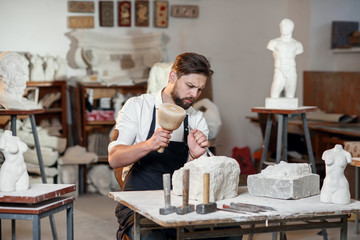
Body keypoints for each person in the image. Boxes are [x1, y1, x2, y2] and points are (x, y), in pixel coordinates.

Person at [108, 52, 213, 240]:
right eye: (190, 86)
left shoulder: (196, 118)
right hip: (138, 201)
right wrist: (148, 145)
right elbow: (114, 158)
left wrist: (198, 156)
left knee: (228, 234)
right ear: (173, 76)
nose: (194, 95)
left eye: (199, 89)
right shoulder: (138, 107)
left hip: (180, 202)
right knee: (151, 237)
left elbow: (205, 180)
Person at [267, 18, 303, 98]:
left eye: (286, 26)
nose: (284, 28)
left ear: (291, 28)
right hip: (279, 69)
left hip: (291, 70)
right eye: (282, 26)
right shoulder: (274, 42)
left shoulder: (297, 44)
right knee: (274, 96)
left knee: (290, 96)